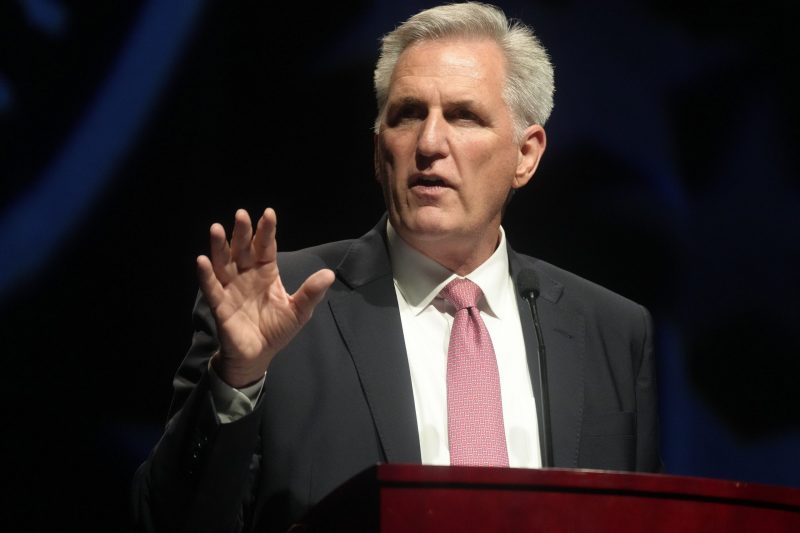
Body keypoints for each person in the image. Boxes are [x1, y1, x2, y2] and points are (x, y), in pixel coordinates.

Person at [132, 3, 661, 532]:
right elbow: (167, 522)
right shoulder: (283, 310)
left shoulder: (611, 331)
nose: (429, 144)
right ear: (378, 150)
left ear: (526, 154)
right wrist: (237, 380)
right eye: (407, 114)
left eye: (463, 116)